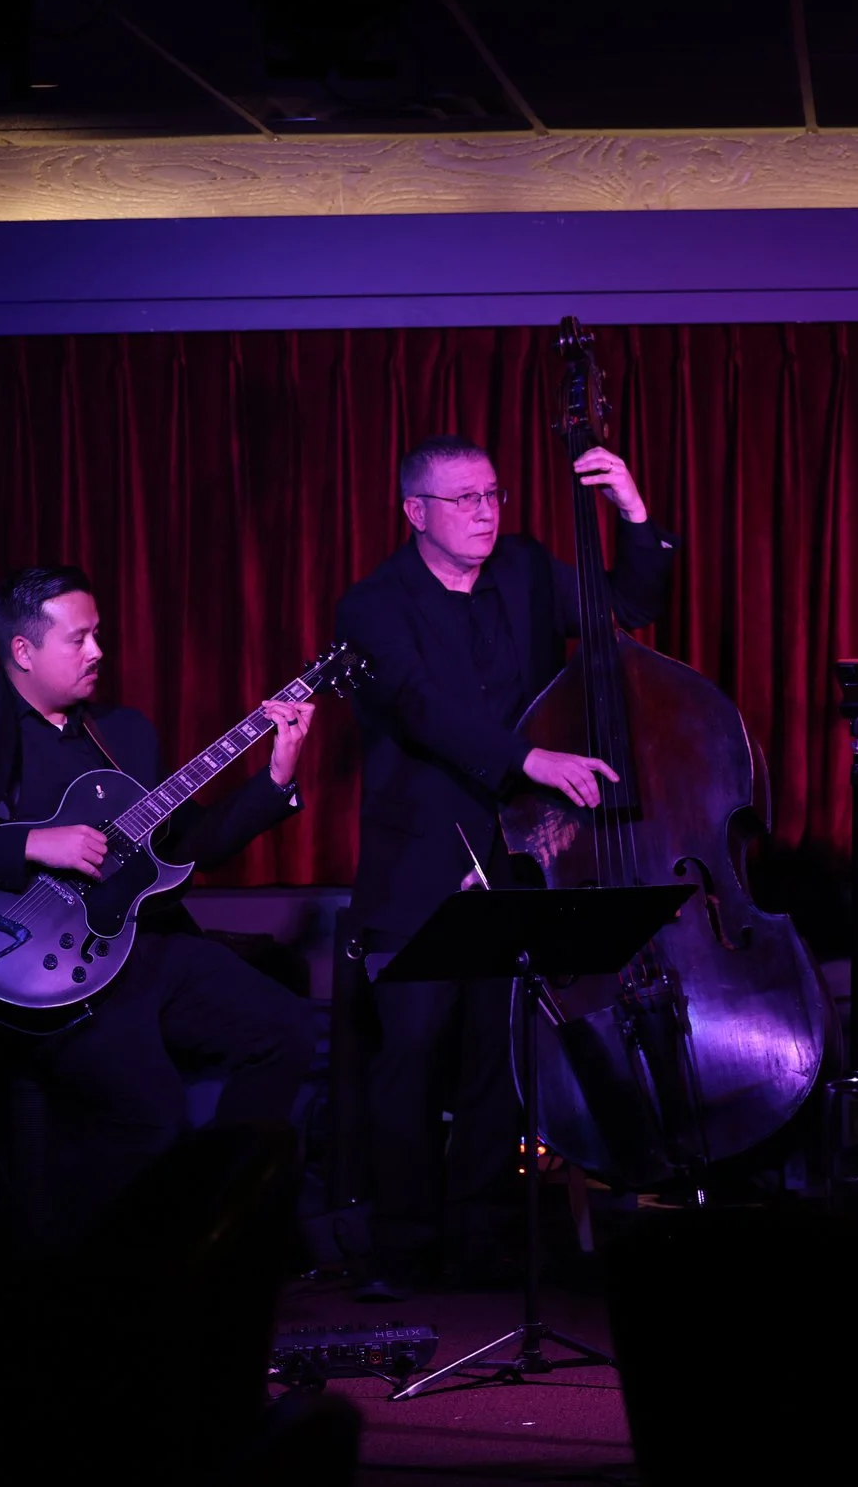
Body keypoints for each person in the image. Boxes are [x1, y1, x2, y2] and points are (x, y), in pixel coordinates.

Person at [0, 565, 318, 1253]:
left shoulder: (122, 732)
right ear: (24, 651)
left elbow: (191, 842)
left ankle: (222, 1226)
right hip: (50, 976)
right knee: (152, 1114)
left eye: (99, 634)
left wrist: (276, 775)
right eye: (79, 637)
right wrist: (38, 843)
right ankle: (128, 1283)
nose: (98, 652)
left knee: (288, 1030)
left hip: (141, 948)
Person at [334, 434, 675, 1296]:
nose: (486, 512)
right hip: (419, 864)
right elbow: (418, 709)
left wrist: (631, 510)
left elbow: (631, 603)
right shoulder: (372, 606)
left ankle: (477, 1242)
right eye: (465, 499)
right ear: (416, 511)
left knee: (499, 1057)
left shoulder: (523, 568)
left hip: (525, 855)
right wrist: (533, 762)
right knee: (410, 1058)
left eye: (493, 494)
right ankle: (401, 1248)